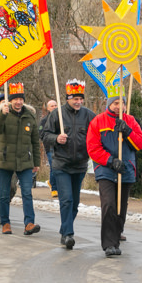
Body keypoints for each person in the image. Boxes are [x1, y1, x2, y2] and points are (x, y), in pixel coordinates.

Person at [86, 87, 142, 256]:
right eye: (115, 103)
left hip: (126, 169)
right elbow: (93, 148)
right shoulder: (98, 121)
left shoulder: (131, 121)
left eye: (122, 103)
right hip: (105, 169)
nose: (119, 106)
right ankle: (109, 244)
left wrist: (127, 131)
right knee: (109, 204)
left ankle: (117, 235)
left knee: (121, 208)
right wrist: (110, 160)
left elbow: (140, 144)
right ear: (109, 104)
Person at [41, 79, 95, 250]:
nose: (78, 102)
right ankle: (69, 235)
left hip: (80, 164)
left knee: (75, 203)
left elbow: (97, 133)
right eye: (75, 99)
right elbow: (45, 135)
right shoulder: (56, 114)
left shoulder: (88, 115)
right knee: (66, 200)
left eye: (81, 99)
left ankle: (65, 228)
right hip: (61, 164)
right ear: (67, 98)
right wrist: (56, 138)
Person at [0, 82, 41, 235]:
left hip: (25, 161)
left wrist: (36, 162)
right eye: (15, 99)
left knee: (26, 193)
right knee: (4, 194)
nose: (18, 102)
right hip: (5, 161)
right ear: (10, 100)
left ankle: (29, 223)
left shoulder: (29, 116)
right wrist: (1, 115)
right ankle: (5, 222)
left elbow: (35, 141)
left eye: (21, 98)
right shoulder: (3, 114)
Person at [39, 99, 59, 198]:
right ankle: (54, 188)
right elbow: (41, 134)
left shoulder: (62, 119)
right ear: (47, 108)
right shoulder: (44, 120)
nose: (54, 107)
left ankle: (54, 184)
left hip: (60, 147)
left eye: (55, 105)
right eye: (52, 106)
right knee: (53, 166)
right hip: (50, 147)